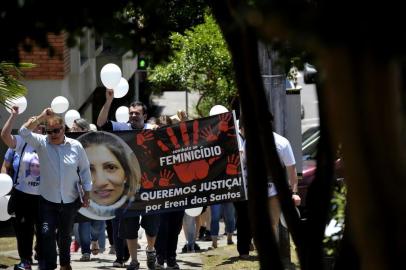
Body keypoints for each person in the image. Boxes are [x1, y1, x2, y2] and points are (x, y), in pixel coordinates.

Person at [18, 108, 92, 270]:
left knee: (65, 236)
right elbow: (23, 132)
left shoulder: (76, 146)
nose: (53, 134)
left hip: (69, 200)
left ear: (63, 129)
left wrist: (87, 193)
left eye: (56, 131)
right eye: (49, 131)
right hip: (48, 201)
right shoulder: (41, 142)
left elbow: (85, 170)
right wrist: (41, 116)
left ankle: (65, 264)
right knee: (46, 234)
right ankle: (50, 265)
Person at [97, 88, 159, 270]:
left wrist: (158, 130)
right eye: (131, 113)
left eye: (137, 113)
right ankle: (133, 260)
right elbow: (101, 123)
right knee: (129, 225)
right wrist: (108, 101)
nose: (133, 116)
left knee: (152, 225)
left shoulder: (153, 130)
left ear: (145, 115)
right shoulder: (122, 128)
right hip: (127, 188)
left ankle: (150, 249)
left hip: (150, 187)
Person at [0, 106, 44, 270]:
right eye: (33, 123)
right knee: (23, 230)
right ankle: (25, 260)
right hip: (23, 195)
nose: (37, 126)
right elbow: (4, 136)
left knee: (43, 230)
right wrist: (13, 116)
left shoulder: (47, 142)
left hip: (43, 196)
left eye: (40, 125)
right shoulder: (21, 142)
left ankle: (41, 255)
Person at [154, 115, 185, 269]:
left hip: (179, 193)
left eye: (167, 127)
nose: (164, 130)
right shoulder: (152, 145)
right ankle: (160, 257)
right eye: (161, 127)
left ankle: (171, 257)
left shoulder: (179, 145)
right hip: (160, 194)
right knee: (162, 227)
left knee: (175, 227)